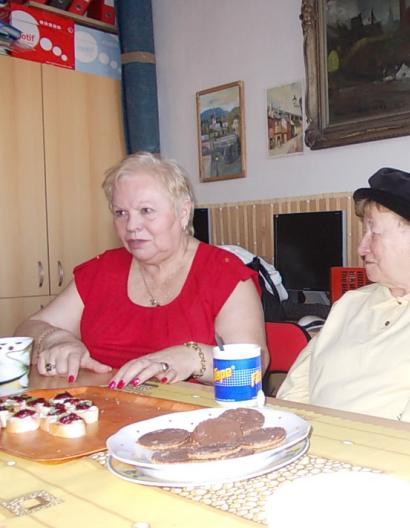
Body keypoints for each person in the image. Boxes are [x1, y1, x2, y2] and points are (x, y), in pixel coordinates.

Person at [15, 152, 268, 389]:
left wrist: (194, 357)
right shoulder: (101, 271)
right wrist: (54, 339)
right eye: (121, 213)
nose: (131, 225)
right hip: (102, 411)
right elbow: (30, 328)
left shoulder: (224, 274)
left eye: (146, 211)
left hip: (192, 416)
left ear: (183, 212)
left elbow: (253, 369)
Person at [277, 167, 410, 433]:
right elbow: (296, 390)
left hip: (386, 454)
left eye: (374, 233)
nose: (361, 248)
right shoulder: (350, 303)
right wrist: (289, 440)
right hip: (312, 449)